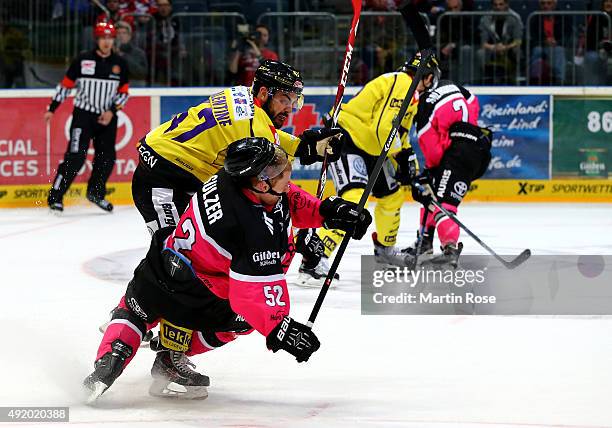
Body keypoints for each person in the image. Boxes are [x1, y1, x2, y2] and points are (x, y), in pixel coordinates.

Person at [84, 137, 372, 402]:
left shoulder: (231, 178)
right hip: (200, 295)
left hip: (162, 263)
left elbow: (286, 199)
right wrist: (283, 331)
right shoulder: (254, 230)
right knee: (242, 320)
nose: (287, 172)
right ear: (260, 183)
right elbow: (253, 297)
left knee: (135, 310)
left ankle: (112, 356)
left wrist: (327, 213)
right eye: (278, 171)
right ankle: (173, 357)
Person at [132, 59, 343, 235]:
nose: (289, 109)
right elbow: (274, 188)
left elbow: (257, 135)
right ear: (263, 92)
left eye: (294, 101)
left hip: (175, 169)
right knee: (173, 254)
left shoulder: (241, 95)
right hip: (163, 180)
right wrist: (318, 214)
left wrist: (302, 147)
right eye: (284, 100)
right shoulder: (254, 128)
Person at [297, 61, 423, 286]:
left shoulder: (412, 93)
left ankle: (385, 249)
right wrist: (400, 154)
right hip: (349, 140)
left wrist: (405, 156)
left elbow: (396, 131)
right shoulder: (404, 83)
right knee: (353, 201)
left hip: (374, 146)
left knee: (392, 195)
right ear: (429, 77)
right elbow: (383, 129)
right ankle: (313, 259)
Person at [406, 51, 492, 267]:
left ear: (428, 79)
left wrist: (430, 169)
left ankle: (450, 249)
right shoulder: (451, 85)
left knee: (443, 202)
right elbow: (473, 102)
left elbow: (430, 145)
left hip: (458, 154)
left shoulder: (424, 104)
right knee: (433, 194)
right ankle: (425, 243)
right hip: (479, 147)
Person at [45, 22, 129, 213]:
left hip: (107, 117)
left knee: (107, 158)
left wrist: (112, 111)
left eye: (110, 38)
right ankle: (55, 196)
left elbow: (124, 93)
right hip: (83, 116)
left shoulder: (120, 63)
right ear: (97, 40)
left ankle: (96, 193)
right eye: (103, 38)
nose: (107, 42)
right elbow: (65, 86)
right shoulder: (83, 60)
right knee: (76, 157)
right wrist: (52, 108)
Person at [478, 0, 523, 84]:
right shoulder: (486, 19)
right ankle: (485, 80)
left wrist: (505, 47)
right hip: (491, 49)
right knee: (480, 53)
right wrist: (494, 47)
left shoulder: (515, 17)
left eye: (501, 4)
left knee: (517, 51)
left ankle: (515, 80)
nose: (498, 7)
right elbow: (483, 42)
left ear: (507, 4)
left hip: (509, 48)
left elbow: (518, 40)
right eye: (495, 5)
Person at [529, 0, 569, 85]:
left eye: (549, 3)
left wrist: (556, 42)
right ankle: (534, 80)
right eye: (543, 3)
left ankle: (559, 81)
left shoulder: (563, 17)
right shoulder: (534, 17)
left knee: (559, 51)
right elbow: (531, 37)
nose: (546, 6)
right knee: (537, 50)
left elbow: (568, 37)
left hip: (557, 46)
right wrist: (544, 41)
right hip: (541, 46)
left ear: (555, 4)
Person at [437, 0, 475, 84]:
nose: (453, 11)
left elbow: (471, 39)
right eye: (450, 8)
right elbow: (439, 38)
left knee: (466, 49)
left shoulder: (467, 18)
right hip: (445, 49)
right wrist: (443, 47)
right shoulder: (443, 19)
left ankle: (466, 83)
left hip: (462, 47)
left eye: (455, 8)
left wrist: (454, 45)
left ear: (460, 6)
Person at [582, 0, 612, 85]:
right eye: (606, 2)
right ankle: (592, 90)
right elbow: (590, 38)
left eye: (611, 2)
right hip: (597, 49)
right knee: (591, 57)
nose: (609, 4)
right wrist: (600, 46)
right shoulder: (596, 18)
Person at [115, 20, 147, 86]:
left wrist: (124, 56)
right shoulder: (108, 52)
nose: (121, 36)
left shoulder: (138, 53)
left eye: (124, 33)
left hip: (132, 86)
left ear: (129, 36)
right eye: (118, 33)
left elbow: (142, 73)